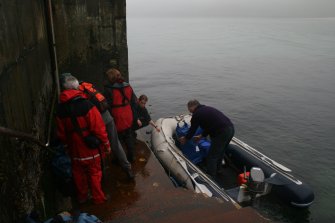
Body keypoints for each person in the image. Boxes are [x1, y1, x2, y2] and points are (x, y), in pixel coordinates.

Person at [59, 73, 135, 180]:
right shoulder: (87, 85)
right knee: (115, 143)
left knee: (97, 146)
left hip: (94, 118)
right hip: (107, 116)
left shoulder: (72, 94)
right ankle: (128, 169)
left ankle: (102, 175)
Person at [56, 75, 110, 204]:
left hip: (74, 150)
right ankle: (98, 198)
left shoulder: (60, 109)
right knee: (95, 174)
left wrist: (67, 146)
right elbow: (99, 128)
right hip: (90, 149)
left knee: (78, 174)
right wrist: (106, 144)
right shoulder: (87, 105)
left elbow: (61, 134)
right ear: (76, 87)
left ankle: (82, 197)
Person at [179, 99, 235, 178]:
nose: (189, 111)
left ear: (191, 107)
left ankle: (211, 176)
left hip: (221, 133)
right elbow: (210, 126)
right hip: (230, 129)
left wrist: (185, 138)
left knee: (212, 156)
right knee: (221, 152)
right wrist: (201, 136)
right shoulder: (207, 109)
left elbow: (192, 129)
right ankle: (218, 170)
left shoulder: (197, 114)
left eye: (189, 109)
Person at [103, 68, 138, 163]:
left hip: (117, 115)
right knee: (128, 135)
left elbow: (106, 105)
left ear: (111, 77)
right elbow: (134, 101)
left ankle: (118, 159)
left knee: (117, 138)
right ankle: (131, 157)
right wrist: (135, 116)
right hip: (128, 113)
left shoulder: (109, 89)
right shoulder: (128, 86)